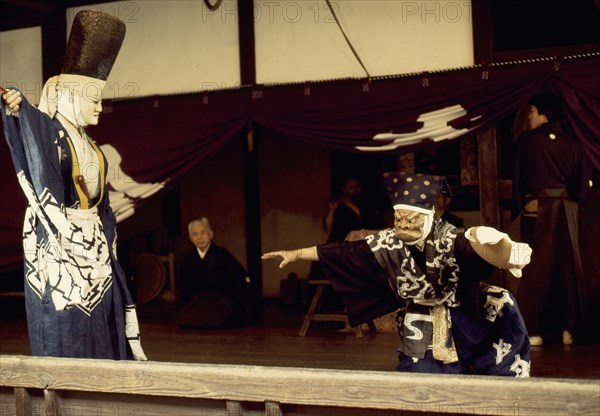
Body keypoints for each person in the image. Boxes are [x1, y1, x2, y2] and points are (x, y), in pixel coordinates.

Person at [264, 173, 532, 376]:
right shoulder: (387, 243)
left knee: (501, 300)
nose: (404, 224)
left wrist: (502, 251)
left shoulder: (450, 237)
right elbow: (345, 252)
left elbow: (476, 249)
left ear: (428, 217)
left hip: (463, 309)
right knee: (423, 375)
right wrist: (298, 253)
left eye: (411, 219)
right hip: (421, 316)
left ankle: (501, 374)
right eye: (399, 218)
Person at [0, 11, 146, 360]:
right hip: (59, 246)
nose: (99, 106)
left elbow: (103, 206)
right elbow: (34, 126)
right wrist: (18, 104)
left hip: (94, 247)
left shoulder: (93, 147)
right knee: (65, 328)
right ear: (69, 96)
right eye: (93, 98)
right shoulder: (51, 134)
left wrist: (103, 239)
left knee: (102, 326)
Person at [512, 91, 593, 346]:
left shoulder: (528, 140)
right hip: (568, 211)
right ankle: (569, 330)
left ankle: (534, 332)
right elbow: (583, 186)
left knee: (536, 268)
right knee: (568, 269)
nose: (530, 118)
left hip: (538, 210)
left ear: (541, 112)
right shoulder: (573, 143)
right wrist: (571, 202)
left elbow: (519, 177)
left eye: (532, 112)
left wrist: (522, 203)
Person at [178, 218, 250, 328]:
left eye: (203, 233)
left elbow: (239, 278)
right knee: (187, 319)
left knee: (217, 318)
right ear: (191, 238)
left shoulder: (223, 255)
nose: (200, 237)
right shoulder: (188, 258)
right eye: (195, 234)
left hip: (220, 300)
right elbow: (184, 286)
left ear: (211, 234)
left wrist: (230, 298)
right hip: (198, 301)